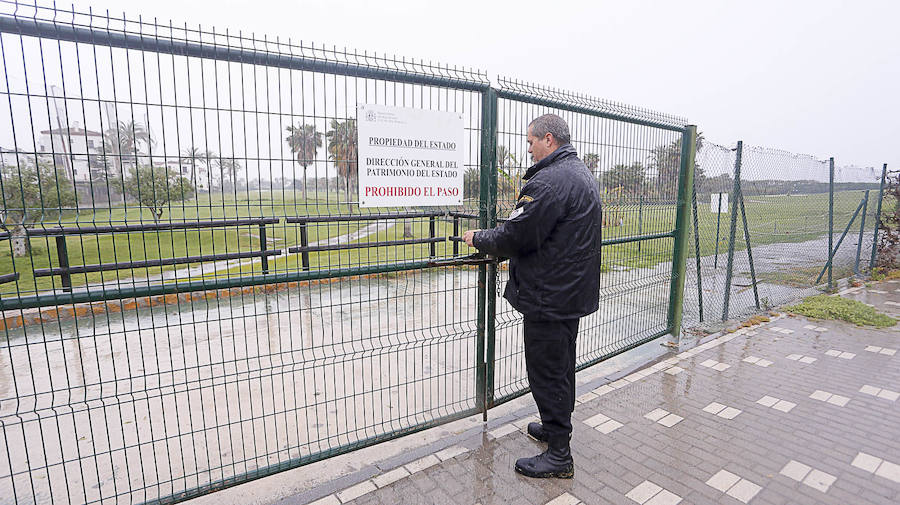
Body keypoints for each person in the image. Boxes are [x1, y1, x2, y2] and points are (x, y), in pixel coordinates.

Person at [463, 113, 602, 479]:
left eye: (531, 142)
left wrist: (478, 238)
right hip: (568, 293)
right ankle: (555, 429)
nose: (528, 148)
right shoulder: (580, 173)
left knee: (547, 373)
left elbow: (516, 236)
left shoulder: (550, 182)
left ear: (549, 140)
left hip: (549, 297)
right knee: (561, 369)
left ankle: (559, 455)